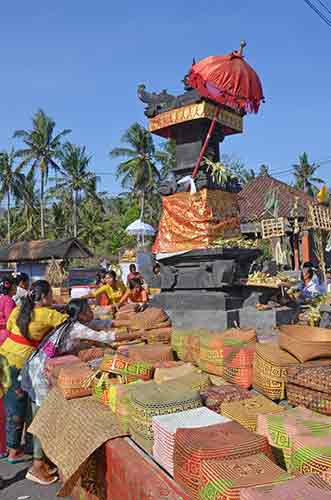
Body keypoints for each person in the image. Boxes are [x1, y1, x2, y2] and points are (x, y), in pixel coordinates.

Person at [21, 298, 115, 485]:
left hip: (34, 368)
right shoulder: (75, 328)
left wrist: (120, 321)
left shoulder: (68, 323)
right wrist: (138, 331)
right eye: (89, 309)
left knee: (36, 415)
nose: (92, 312)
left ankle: (41, 459)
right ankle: (37, 466)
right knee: (43, 417)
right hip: (39, 373)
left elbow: (98, 324)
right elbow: (107, 337)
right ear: (80, 313)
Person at [0, 280, 67, 474]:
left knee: (11, 403)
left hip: (4, 356)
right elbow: (67, 323)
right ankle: (13, 451)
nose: (53, 299)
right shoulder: (47, 314)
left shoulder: (19, 309)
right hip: (19, 363)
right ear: (45, 297)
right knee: (17, 406)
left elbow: (12, 326)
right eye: (51, 296)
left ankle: (14, 445)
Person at [0, 276, 17, 345]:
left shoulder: (1, 298)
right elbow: (10, 319)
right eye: (15, 285)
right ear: (11, 287)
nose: (16, 287)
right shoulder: (9, 301)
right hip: (5, 334)